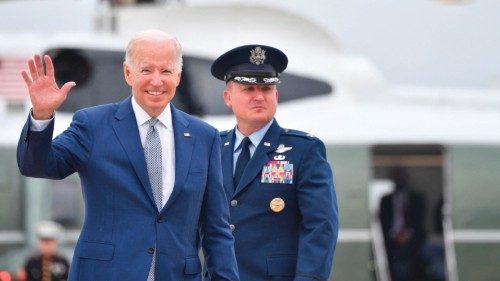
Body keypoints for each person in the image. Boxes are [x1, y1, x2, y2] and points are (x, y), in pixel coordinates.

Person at [17, 30, 239, 281]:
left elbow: (216, 229)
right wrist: (41, 116)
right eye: (146, 70)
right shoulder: (93, 125)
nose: (157, 81)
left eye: (166, 71)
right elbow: (37, 166)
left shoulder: (204, 137)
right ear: (127, 73)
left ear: (178, 76)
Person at [210, 45, 339, 281]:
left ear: (276, 96)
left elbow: (320, 226)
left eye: (267, 88)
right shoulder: (212, 148)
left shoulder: (304, 150)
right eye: (248, 88)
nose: (259, 96)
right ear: (228, 97)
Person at [379, 168, 425, 281]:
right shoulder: (385, 200)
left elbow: (419, 221)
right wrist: (394, 235)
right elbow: (382, 221)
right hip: (391, 242)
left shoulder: (417, 199)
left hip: (412, 242)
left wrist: (406, 235)